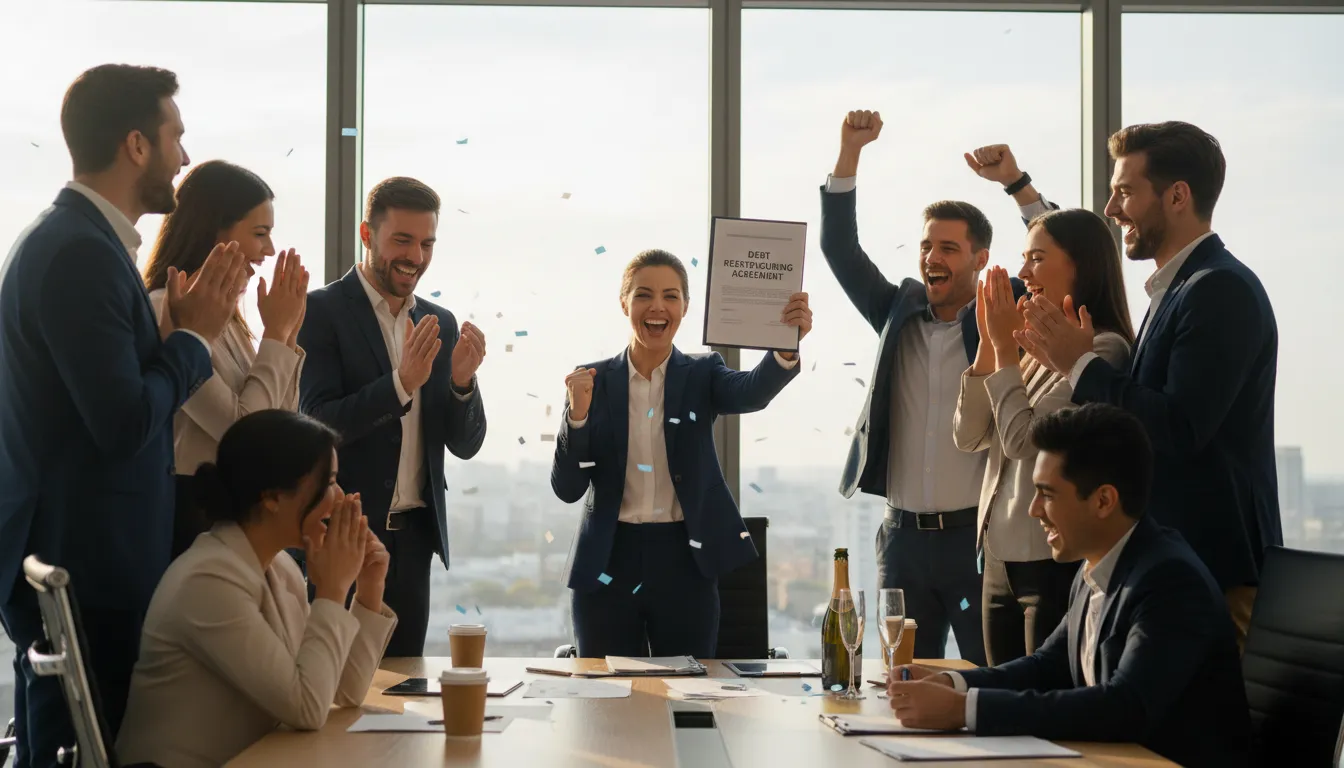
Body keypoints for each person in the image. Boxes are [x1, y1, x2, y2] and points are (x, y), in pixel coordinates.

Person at [0, 64, 245, 767]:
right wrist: (193, 339)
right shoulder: (80, 254)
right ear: (137, 146)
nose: (185, 157)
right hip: (85, 567)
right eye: (177, 137)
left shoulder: (81, 243)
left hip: (87, 561)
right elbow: (125, 422)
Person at [1011, 122, 1280, 647]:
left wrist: (1081, 366)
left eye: (1125, 191)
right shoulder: (1177, 290)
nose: (1111, 209)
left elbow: (1179, 427)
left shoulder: (1218, 289)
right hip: (1181, 568)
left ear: (1177, 196)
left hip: (1214, 572)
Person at [888, 404, 1250, 768]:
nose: (1033, 510)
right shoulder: (1097, 564)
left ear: (1103, 500)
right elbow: (1048, 666)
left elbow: (1125, 707)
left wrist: (962, 711)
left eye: (1047, 494)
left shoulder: (1170, 580)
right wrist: (952, 684)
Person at [819, 109, 1023, 665]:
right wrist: (849, 154)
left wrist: (1017, 186)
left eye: (949, 249)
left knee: (991, 677)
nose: (932, 258)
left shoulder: (1002, 317)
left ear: (981, 260)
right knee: (901, 683)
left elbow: (1063, 259)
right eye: (927, 246)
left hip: (975, 545)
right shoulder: (896, 313)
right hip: (902, 543)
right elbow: (839, 249)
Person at [550, 249, 809, 658]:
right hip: (608, 563)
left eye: (671, 296)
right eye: (643, 295)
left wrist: (785, 347)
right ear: (624, 304)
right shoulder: (591, 381)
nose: (657, 306)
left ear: (685, 308)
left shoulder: (703, 374)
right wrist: (577, 417)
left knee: (689, 697)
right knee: (606, 703)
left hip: (685, 562)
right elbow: (567, 487)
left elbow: (752, 391)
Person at [116, 410, 395, 768]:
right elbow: (307, 707)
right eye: (327, 483)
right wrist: (331, 589)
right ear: (273, 497)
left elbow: (342, 690)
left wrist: (368, 589)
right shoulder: (208, 581)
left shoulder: (279, 568)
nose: (339, 497)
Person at [298, 176, 486, 657]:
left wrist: (462, 384)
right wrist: (400, 384)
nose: (416, 257)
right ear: (367, 235)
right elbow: (317, 423)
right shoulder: (319, 312)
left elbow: (464, 444)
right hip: (342, 539)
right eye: (402, 240)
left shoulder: (438, 322)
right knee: (336, 688)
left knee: (404, 690)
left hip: (414, 543)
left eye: (426, 243)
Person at [953, 208, 1134, 665]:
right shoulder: (1038, 348)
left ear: (1080, 266)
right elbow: (969, 435)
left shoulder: (1101, 351)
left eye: (1037, 258)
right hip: (998, 557)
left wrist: (1005, 351)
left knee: (1036, 705)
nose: (1023, 273)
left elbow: (1022, 441)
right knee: (1002, 706)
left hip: (1049, 562)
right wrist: (988, 347)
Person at [143, 159, 310, 558]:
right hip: (194, 520)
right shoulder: (166, 310)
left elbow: (283, 424)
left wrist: (286, 335)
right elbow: (244, 433)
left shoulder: (230, 321)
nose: (269, 250)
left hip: (236, 517)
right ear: (215, 231)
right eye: (259, 234)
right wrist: (274, 337)